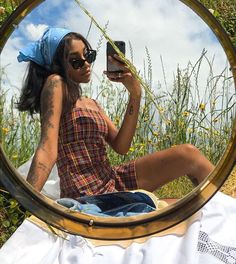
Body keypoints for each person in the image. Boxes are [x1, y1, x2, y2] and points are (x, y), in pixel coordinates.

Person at [17, 27, 214, 200]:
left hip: (113, 180)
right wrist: (29, 202)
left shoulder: (92, 104)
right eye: (76, 61)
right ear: (58, 65)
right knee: (178, 209)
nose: (86, 64)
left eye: (89, 55)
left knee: (189, 155)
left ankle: (228, 212)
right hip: (88, 194)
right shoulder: (56, 83)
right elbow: (47, 147)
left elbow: (121, 146)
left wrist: (135, 94)